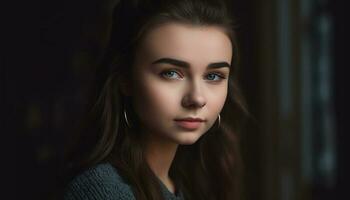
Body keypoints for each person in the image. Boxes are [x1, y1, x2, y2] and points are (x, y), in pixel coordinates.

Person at [62, 0, 248, 199]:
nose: (196, 98)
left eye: (213, 76)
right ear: (125, 79)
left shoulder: (195, 183)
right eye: (171, 73)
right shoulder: (102, 190)